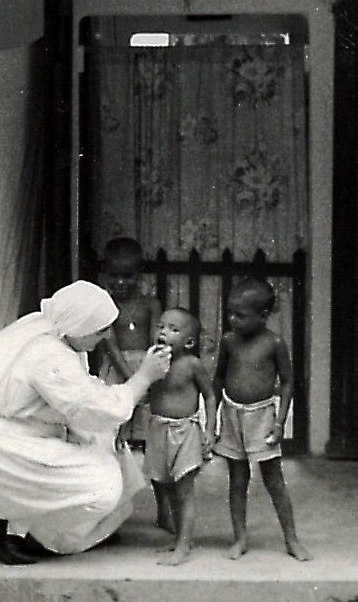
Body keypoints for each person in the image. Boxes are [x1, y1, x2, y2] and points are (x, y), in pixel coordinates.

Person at [0, 280, 173, 564]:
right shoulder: (47, 355)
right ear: (79, 328)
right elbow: (95, 406)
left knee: (109, 446)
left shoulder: (56, 334)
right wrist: (144, 377)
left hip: (23, 428)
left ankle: (50, 529)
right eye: (100, 330)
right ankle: (12, 530)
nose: (107, 336)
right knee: (103, 487)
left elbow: (83, 399)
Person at [212, 277, 313, 561]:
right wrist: (214, 419)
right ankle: (240, 538)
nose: (232, 320)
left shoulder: (274, 343)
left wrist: (280, 422)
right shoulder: (229, 341)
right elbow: (219, 378)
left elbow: (289, 382)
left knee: (274, 479)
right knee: (237, 478)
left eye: (240, 315)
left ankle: (291, 539)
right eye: (230, 313)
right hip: (232, 415)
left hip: (262, 416)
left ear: (263, 316)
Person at [143, 307, 217, 566]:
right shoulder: (152, 360)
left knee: (184, 491)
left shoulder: (191, 364)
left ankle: (183, 546)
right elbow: (143, 390)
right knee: (168, 488)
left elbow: (209, 395)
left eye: (173, 329)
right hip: (157, 429)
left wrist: (210, 429)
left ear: (189, 342)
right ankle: (178, 538)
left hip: (184, 432)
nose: (164, 332)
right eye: (161, 326)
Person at [94, 237, 162, 449]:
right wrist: (135, 380)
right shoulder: (105, 305)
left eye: (128, 276)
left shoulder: (151, 304)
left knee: (146, 431)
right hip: (117, 369)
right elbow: (111, 346)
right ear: (105, 272)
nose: (120, 282)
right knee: (115, 426)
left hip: (146, 367)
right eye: (114, 276)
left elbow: (156, 340)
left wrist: (149, 377)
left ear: (140, 272)